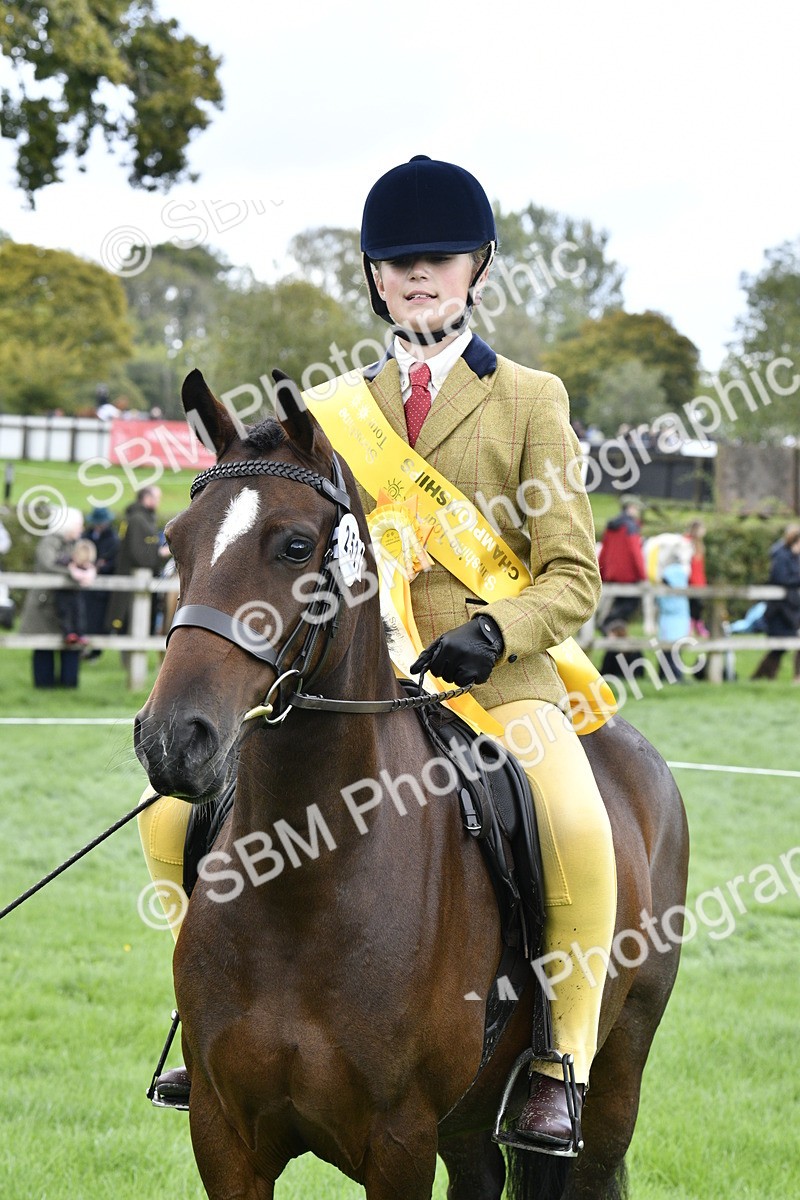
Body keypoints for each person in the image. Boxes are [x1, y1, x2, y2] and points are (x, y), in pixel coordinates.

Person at [142, 155, 617, 1151]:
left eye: (435, 260)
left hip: (493, 676)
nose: (416, 277)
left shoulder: (530, 397)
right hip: (356, 676)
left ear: (476, 268)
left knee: (572, 819)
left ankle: (554, 1064)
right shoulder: (324, 415)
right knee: (165, 817)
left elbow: (573, 574)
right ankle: (210, 1023)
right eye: (395, 263)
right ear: (371, 278)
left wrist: (495, 630)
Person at [19, 508, 92, 687]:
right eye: (78, 525)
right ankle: (44, 685)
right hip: (45, 604)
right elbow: (48, 564)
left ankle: (68, 685)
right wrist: (72, 572)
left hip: (63, 603)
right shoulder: (49, 542)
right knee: (44, 645)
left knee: (70, 643)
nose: (81, 528)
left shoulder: (72, 543)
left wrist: (87, 570)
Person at [106, 486, 169, 638]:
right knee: (131, 626)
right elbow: (137, 553)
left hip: (139, 581)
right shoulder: (137, 520)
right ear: (147, 499)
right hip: (132, 581)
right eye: (157, 498)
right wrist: (160, 554)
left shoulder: (143, 518)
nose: (159, 502)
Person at [751, 525, 800, 682]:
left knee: (783, 647)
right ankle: (761, 678)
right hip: (780, 610)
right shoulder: (781, 556)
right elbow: (780, 579)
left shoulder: (793, 557)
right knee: (779, 648)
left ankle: (766, 678)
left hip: (791, 607)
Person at [597, 495, 648, 632]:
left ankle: (613, 632)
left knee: (619, 603)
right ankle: (607, 625)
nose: (637, 512)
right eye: (636, 508)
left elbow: (604, 551)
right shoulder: (630, 526)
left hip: (611, 573)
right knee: (631, 604)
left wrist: (601, 572)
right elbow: (635, 553)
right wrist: (643, 576)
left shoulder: (612, 525)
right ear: (631, 508)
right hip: (627, 575)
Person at [83, 506, 120, 653]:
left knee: (99, 618)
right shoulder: (87, 535)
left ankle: (95, 651)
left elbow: (112, 561)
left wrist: (100, 566)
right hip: (85, 586)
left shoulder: (112, 538)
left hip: (102, 587)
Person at [654, 539, 692, 681]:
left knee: (668, 650)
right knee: (673, 649)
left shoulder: (668, 573)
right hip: (677, 616)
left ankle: (669, 676)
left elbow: (662, 591)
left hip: (670, 616)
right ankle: (672, 676)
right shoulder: (682, 573)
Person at [55, 538, 97, 645]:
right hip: (65, 595)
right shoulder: (68, 563)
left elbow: (89, 575)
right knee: (66, 613)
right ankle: (69, 633)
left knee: (79, 613)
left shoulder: (88, 568)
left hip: (76, 595)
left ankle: (80, 634)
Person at [685, 519, 710, 637]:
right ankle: (691, 628)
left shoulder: (699, 544)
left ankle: (697, 628)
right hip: (692, 581)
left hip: (699, 581)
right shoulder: (687, 543)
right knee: (693, 606)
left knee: (698, 606)